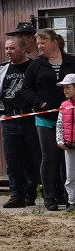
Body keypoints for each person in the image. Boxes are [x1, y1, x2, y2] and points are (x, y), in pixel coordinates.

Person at [21, 28, 75, 210]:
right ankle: (49, 197)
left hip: (70, 117)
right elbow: (26, 88)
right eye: (38, 43)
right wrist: (40, 103)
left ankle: (70, 198)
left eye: (42, 43)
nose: (39, 46)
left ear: (54, 42)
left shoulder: (72, 61)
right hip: (45, 117)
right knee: (49, 158)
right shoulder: (36, 65)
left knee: (68, 158)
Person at [0, 36, 40, 207]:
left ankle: (32, 192)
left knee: (33, 158)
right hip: (9, 119)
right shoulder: (3, 69)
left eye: (12, 48)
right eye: (6, 48)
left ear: (22, 49)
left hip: (30, 118)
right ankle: (16, 194)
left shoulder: (34, 66)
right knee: (12, 160)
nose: (8, 52)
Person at [55, 73, 75, 212]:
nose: (65, 90)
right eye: (63, 88)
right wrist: (59, 140)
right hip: (69, 146)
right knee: (70, 176)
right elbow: (59, 124)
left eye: (68, 87)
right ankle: (72, 201)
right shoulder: (64, 105)